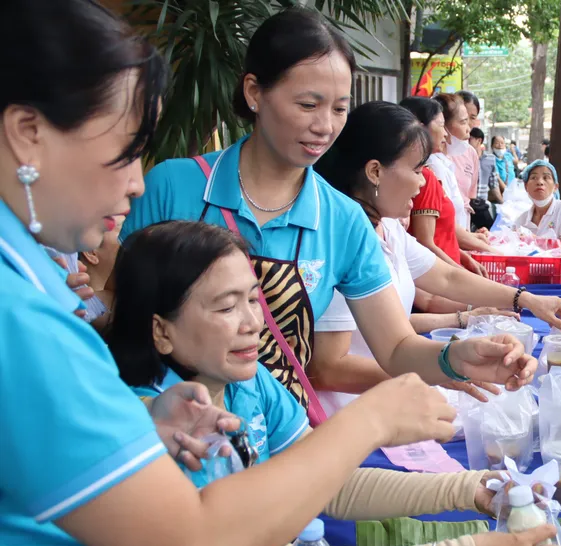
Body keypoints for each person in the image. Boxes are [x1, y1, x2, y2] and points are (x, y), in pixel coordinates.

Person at [0, 2, 457, 546]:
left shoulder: (29, 280)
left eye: (339, 107)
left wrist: (137, 424)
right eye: (124, 152)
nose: (136, 185)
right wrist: (372, 420)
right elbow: (186, 541)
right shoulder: (21, 315)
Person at [124, 9, 535, 416]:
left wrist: (454, 357)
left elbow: (394, 347)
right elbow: (118, 319)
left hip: (284, 442)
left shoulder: (343, 219)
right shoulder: (171, 188)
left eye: (339, 109)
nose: (325, 126)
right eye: (308, 104)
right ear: (254, 92)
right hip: (165, 447)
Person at [110, 220, 561, 546]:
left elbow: (324, 481)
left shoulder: (249, 381)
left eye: (253, 299)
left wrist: (468, 488)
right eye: (227, 307)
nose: (253, 322)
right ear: (161, 331)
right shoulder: (158, 432)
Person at [312, 102, 561, 408]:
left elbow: (445, 277)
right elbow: (328, 369)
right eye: (416, 169)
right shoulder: (339, 241)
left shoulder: (389, 229)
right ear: (374, 172)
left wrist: (525, 299)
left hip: (390, 397)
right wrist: (440, 369)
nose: (423, 182)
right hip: (351, 414)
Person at [402, 97, 491, 276]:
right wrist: (462, 275)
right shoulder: (427, 175)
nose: (445, 133)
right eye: (441, 125)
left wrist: (464, 259)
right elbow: (425, 243)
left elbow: (442, 237)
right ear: (420, 128)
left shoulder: (432, 170)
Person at [513, 160, 561, 265]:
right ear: (526, 187)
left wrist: (534, 241)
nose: (540, 182)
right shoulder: (521, 221)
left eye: (546, 177)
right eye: (533, 178)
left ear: (555, 187)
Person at [435, 93, 479, 208]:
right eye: (463, 121)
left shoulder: (468, 154)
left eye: (472, 118)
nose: (468, 127)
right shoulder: (433, 164)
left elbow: (469, 196)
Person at [469, 126, 502, 231]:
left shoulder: (490, 159)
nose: (467, 142)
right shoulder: (463, 158)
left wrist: (502, 203)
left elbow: (493, 184)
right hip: (467, 204)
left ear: (479, 140)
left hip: (481, 205)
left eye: (470, 139)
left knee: (490, 232)